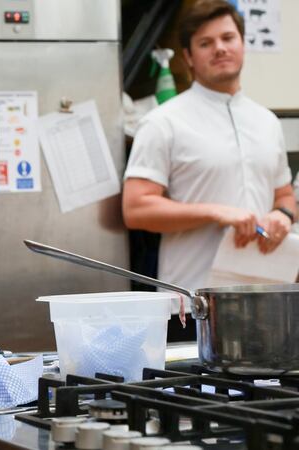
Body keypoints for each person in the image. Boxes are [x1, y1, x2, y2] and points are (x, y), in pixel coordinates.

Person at [122, 0, 295, 335]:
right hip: (192, 306)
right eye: (205, 43)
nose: (219, 48)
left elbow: (285, 195)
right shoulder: (163, 122)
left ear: (242, 44)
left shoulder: (267, 122)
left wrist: (283, 216)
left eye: (228, 38)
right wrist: (216, 212)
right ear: (188, 57)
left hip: (265, 301)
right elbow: (136, 208)